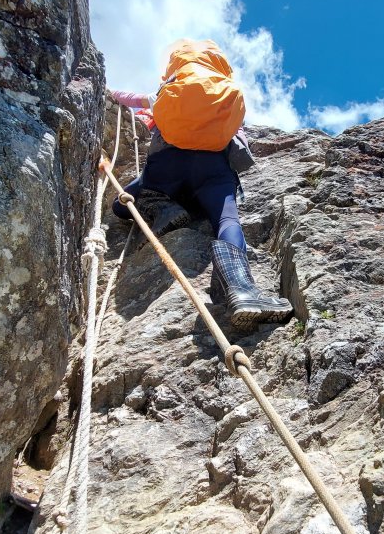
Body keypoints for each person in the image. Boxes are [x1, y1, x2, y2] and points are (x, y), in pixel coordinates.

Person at [109, 39, 292, 329]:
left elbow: (127, 98)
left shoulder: (168, 90)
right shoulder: (221, 97)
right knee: (226, 220)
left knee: (122, 204)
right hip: (214, 169)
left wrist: (108, 92)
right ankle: (242, 291)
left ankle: (163, 207)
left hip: (167, 166)